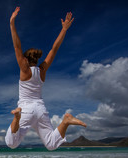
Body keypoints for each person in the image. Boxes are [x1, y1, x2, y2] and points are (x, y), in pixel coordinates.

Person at [5, 7, 87, 150]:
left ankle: (16, 118)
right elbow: (54, 49)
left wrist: (12, 23)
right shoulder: (42, 69)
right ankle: (66, 121)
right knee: (51, 144)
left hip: (25, 109)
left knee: (11, 143)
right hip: (40, 109)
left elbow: (16, 46)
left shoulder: (24, 69)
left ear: (25, 59)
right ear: (36, 59)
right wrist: (64, 29)